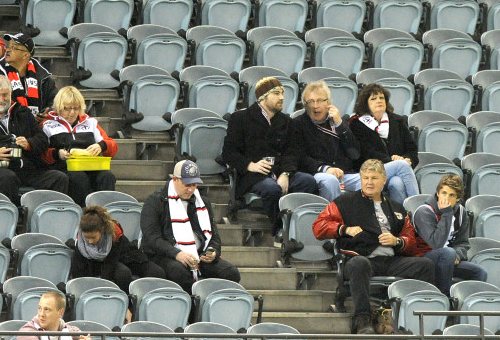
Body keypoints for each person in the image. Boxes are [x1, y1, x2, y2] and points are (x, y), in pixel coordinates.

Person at [312, 159, 436, 334]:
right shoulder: (344, 202)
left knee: (426, 265)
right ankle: (362, 319)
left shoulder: (396, 207)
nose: (369, 182)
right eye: (365, 178)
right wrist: (344, 229)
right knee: (359, 263)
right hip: (359, 258)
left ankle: (416, 318)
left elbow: (411, 242)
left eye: (374, 178)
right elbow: (318, 226)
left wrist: (397, 241)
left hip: (391, 260)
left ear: (384, 180)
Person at [219, 77, 318, 232]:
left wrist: (285, 173)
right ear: (263, 97)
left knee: (308, 182)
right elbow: (229, 152)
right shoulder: (240, 119)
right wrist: (250, 165)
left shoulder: (287, 121)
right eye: (277, 93)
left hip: (280, 171)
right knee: (272, 189)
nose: (282, 97)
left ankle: (301, 227)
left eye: (282, 93)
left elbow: (292, 152)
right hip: (252, 176)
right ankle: (281, 230)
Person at [0, 75, 69, 206]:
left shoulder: (23, 112)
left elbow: (43, 140)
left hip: (27, 168)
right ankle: (10, 216)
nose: (1, 99)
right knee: (8, 178)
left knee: (59, 178)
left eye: (5, 95)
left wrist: (29, 144)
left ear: (11, 93)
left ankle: (49, 216)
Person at [139, 160, 241, 292]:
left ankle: (210, 303)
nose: (191, 189)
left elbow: (214, 236)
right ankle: (192, 304)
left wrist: (213, 251)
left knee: (231, 273)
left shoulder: (203, 202)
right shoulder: (155, 202)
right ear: (175, 179)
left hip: (198, 255)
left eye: (194, 185)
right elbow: (152, 238)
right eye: (187, 184)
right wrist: (176, 253)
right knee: (179, 272)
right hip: (165, 255)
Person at [406, 174, 488, 296]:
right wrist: (447, 214)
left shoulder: (461, 213)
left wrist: (457, 255)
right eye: (444, 193)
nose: (446, 198)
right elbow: (436, 243)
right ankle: (444, 297)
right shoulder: (424, 212)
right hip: (423, 259)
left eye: (452, 195)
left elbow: (463, 243)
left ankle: (467, 305)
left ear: (458, 198)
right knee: (447, 252)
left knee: (480, 272)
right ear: (438, 193)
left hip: (448, 259)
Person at [41, 86, 118, 206]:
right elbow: (41, 152)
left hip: (91, 165)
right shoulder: (47, 124)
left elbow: (112, 146)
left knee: (107, 176)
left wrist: (101, 146)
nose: (72, 113)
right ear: (59, 107)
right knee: (78, 177)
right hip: (64, 166)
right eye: (67, 108)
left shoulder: (90, 122)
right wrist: (57, 153)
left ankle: (105, 213)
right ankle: (82, 212)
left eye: (76, 108)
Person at [289, 81, 361, 201]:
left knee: (367, 181)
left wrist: (340, 125)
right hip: (317, 173)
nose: (315, 106)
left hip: (344, 174)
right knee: (330, 181)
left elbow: (355, 154)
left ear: (328, 102)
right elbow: (300, 156)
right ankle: (330, 214)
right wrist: (325, 169)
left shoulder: (339, 121)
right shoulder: (298, 124)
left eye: (320, 100)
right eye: (310, 101)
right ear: (305, 104)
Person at [71, 205, 165, 297]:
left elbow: (112, 260)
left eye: (93, 237)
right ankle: (126, 302)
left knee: (157, 272)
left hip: (124, 256)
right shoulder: (81, 244)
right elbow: (78, 271)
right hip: (98, 265)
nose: (90, 241)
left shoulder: (115, 235)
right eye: (87, 238)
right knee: (123, 273)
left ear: (102, 230)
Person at [349, 84, 420, 204]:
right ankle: (417, 206)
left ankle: (401, 214)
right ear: (365, 104)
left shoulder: (398, 121)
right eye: (373, 98)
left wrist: (407, 159)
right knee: (402, 165)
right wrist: (394, 161)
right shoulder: (357, 124)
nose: (379, 101)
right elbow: (365, 152)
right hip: (371, 171)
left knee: (396, 183)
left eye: (381, 98)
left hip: (396, 171)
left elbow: (412, 149)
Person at [0, 33, 57, 119]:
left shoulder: (43, 77)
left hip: (38, 125)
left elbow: (55, 101)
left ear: (26, 55)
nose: (8, 50)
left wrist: (46, 114)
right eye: (8, 46)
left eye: (14, 47)